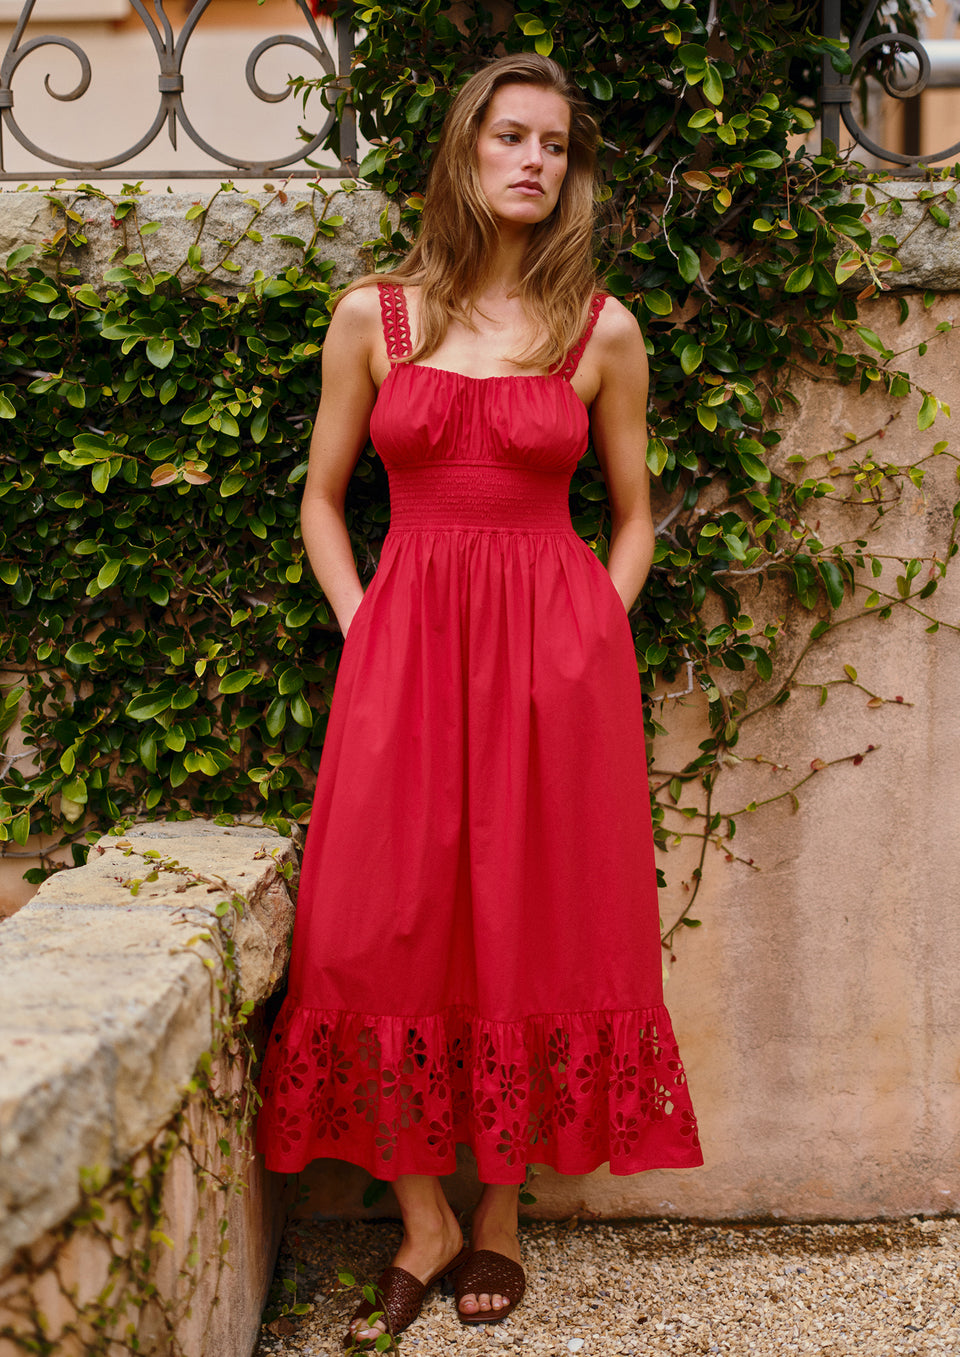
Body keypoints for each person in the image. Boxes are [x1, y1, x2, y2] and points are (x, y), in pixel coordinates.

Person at [256, 51, 703, 1348]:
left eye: (555, 146)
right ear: (464, 152)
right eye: (511, 136)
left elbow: (631, 519)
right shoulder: (374, 317)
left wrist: (588, 635)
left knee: (529, 919)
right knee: (371, 920)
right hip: (406, 651)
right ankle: (424, 1219)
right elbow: (323, 498)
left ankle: (497, 1214)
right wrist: (364, 618)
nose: (534, 161)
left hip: (553, 671)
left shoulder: (600, 328)